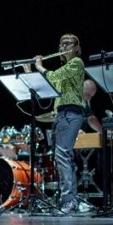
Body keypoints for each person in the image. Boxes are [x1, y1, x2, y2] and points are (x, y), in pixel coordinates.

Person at [22, 33, 85, 214]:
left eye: (68, 44)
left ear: (76, 47)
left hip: (71, 113)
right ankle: (69, 200)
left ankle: (69, 202)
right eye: (61, 44)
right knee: (62, 158)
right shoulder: (66, 69)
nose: (63, 47)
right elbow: (48, 87)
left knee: (63, 156)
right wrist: (30, 73)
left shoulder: (76, 63)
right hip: (61, 114)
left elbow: (55, 75)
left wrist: (40, 66)